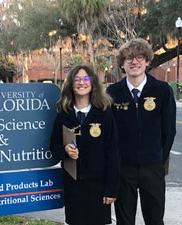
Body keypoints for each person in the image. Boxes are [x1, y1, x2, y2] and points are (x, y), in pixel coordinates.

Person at [107, 38, 176, 225]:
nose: (134, 62)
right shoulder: (112, 93)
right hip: (123, 169)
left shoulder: (162, 91)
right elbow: (108, 133)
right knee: (125, 220)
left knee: (154, 219)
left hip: (152, 168)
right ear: (122, 64)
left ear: (147, 61)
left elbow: (168, 130)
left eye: (139, 57)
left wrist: (158, 158)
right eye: (129, 58)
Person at [50, 65, 120, 225]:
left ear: (93, 83)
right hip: (73, 186)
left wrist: (111, 188)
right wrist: (65, 150)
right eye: (77, 79)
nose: (82, 83)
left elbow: (113, 152)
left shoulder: (104, 112)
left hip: (98, 186)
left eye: (86, 79)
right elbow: (53, 147)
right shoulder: (64, 113)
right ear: (71, 84)